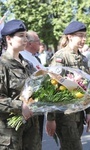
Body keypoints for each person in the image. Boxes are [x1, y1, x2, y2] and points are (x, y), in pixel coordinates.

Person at [46, 21, 90, 150]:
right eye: (80, 35)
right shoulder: (61, 57)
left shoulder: (83, 59)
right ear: (70, 36)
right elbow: (53, 87)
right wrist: (51, 118)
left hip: (79, 113)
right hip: (64, 113)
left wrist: (89, 112)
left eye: (85, 36)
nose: (83, 39)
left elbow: (87, 87)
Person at [0, 19, 41, 149]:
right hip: (11, 133)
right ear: (9, 39)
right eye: (21, 36)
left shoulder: (28, 65)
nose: (26, 40)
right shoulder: (2, 65)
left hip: (31, 131)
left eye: (26, 36)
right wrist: (20, 106)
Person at [20, 30, 46, 140]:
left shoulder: (35, 57)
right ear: (30, 43)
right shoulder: (22, 57)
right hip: (26, 108)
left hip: (37, 106)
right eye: (38, 41)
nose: (40, 44)